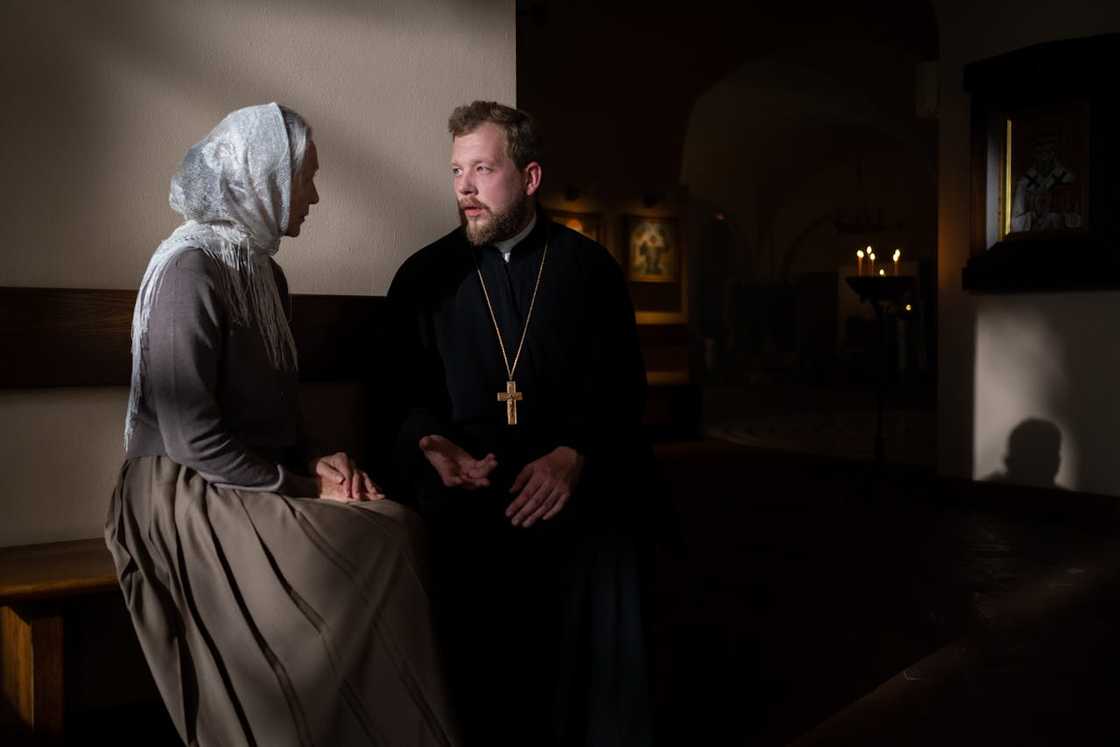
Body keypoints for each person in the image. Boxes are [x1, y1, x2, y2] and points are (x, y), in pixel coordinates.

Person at [105, 103, 459, 747]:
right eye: (305, 178)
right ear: (259, 177)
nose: (315, 196)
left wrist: (322, 458)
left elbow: (281, 411)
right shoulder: (188, 270)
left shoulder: (264, 271)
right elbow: (191, 438)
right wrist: (304, 487)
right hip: (181, 490)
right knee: (385, 536)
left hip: (248, 476)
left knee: (393, 523)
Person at [386, 101, 655, 746]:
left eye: (483, 169)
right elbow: (400, 393)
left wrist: (576, 454)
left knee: (609, 546)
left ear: (529, 178)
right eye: (457, 171)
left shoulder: (590, 272)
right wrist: (433, 444)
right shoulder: (424, 278)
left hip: (571, 495)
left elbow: (622, 391)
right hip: (471, 499)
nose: (465, 189)